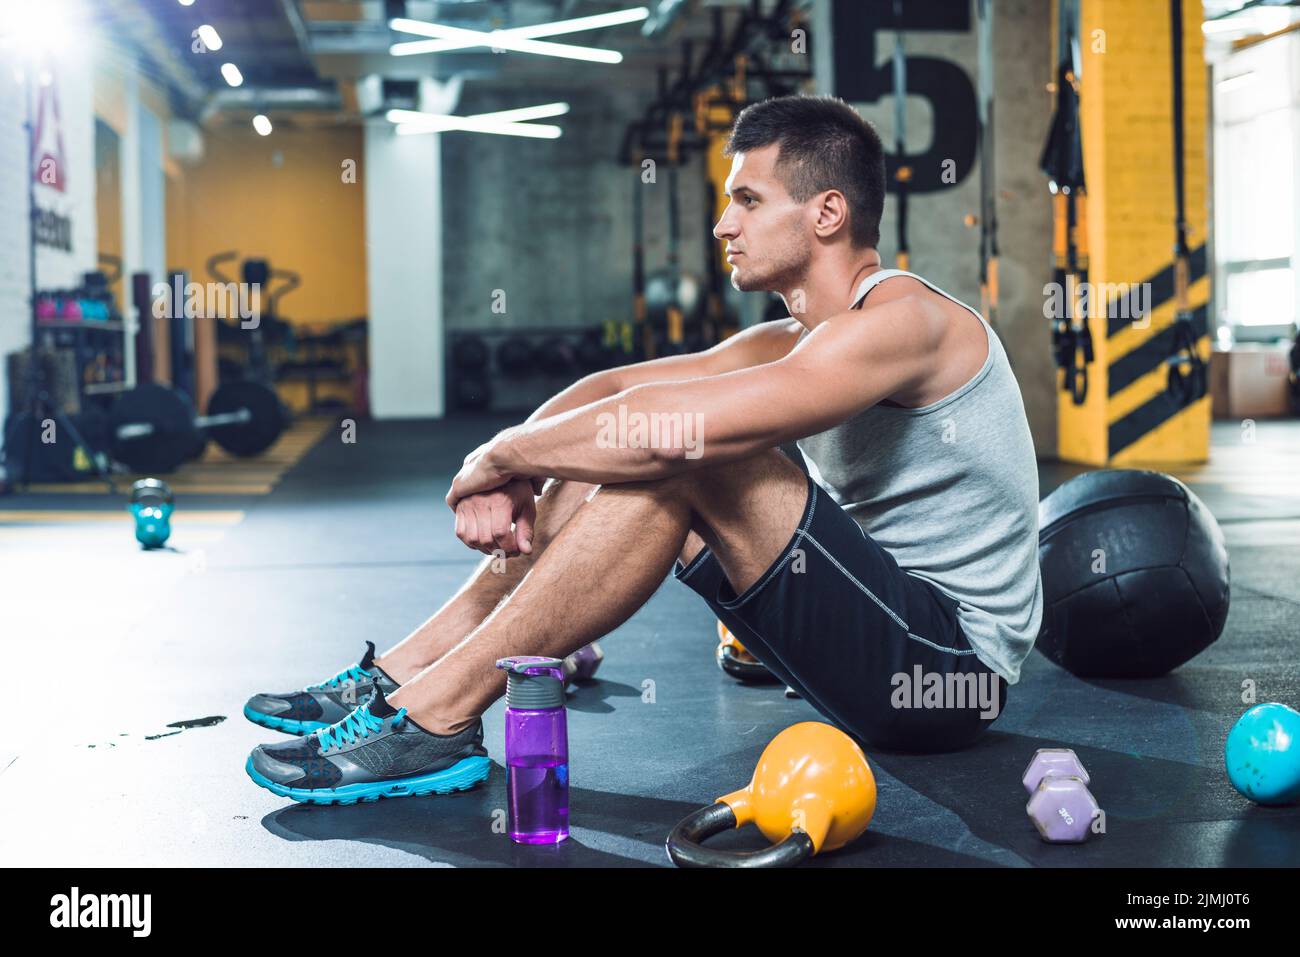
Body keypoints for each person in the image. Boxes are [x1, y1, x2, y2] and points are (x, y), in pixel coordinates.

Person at [243, 95, 1042, 805]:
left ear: (827, 212)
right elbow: (610, 388)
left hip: (947, 678)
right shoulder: (793, 339)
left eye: (747, 200)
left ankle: (436, 712)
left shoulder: (906, 325)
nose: (724, 224)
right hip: (879, 643)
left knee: (694, 449)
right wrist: (506, 456)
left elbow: (679, 427)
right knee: (649, 445)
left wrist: (504, 459)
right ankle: (406, 677)